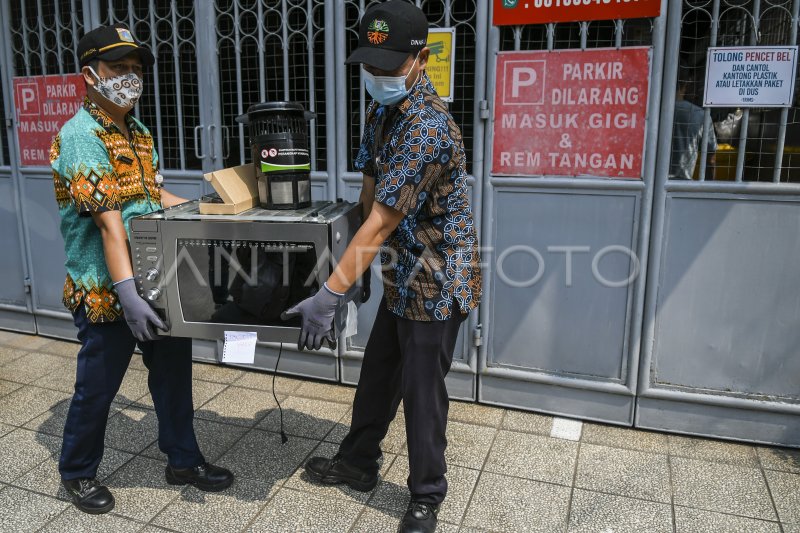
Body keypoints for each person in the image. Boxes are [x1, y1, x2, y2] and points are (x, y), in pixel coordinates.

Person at [283, 2, 481, 532]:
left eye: (388, 64)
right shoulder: (384, 111)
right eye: (369, 64)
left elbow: (381, 223)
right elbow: (369, 190)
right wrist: (358, 269)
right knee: (377, 373)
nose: (376, 75)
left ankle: (426, 494)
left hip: (436, 277)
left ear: (420, 59)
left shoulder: (426, 125)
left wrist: (330, 291)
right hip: (399, 267)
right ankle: (358, 462)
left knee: (421, 389)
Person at [51, 24, 233, 514]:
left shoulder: (138, 131)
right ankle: (77, 472)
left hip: (157, 275)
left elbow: (151, 200)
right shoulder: (81, 136)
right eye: (118, 68)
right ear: (89, 75)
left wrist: (208, 208)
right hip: (108, 288)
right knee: (98, 388)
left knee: (173, 376)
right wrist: (127, 293)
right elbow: (111, 226)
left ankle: (183, 460)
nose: (130, 78)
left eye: (135, 69)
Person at [670, 72, 717, 180]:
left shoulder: (650, 110)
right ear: (686, 84)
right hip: (682, 182)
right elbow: (711, 159)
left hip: (651, 180)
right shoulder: (700, 115)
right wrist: (709, 189)